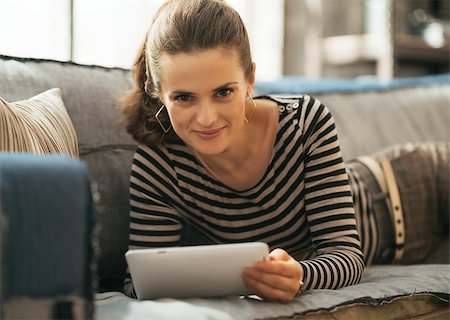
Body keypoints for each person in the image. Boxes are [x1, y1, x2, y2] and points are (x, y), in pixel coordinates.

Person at [121, 0, 366, 303]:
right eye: (184, 98)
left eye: (223, 92)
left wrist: (300, 275)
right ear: (158, 94)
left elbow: (347, 256)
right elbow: (140, 285)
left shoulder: (306, 124)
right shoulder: (159, 165)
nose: (207, 118)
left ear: (250, 79)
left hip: (399, 193)